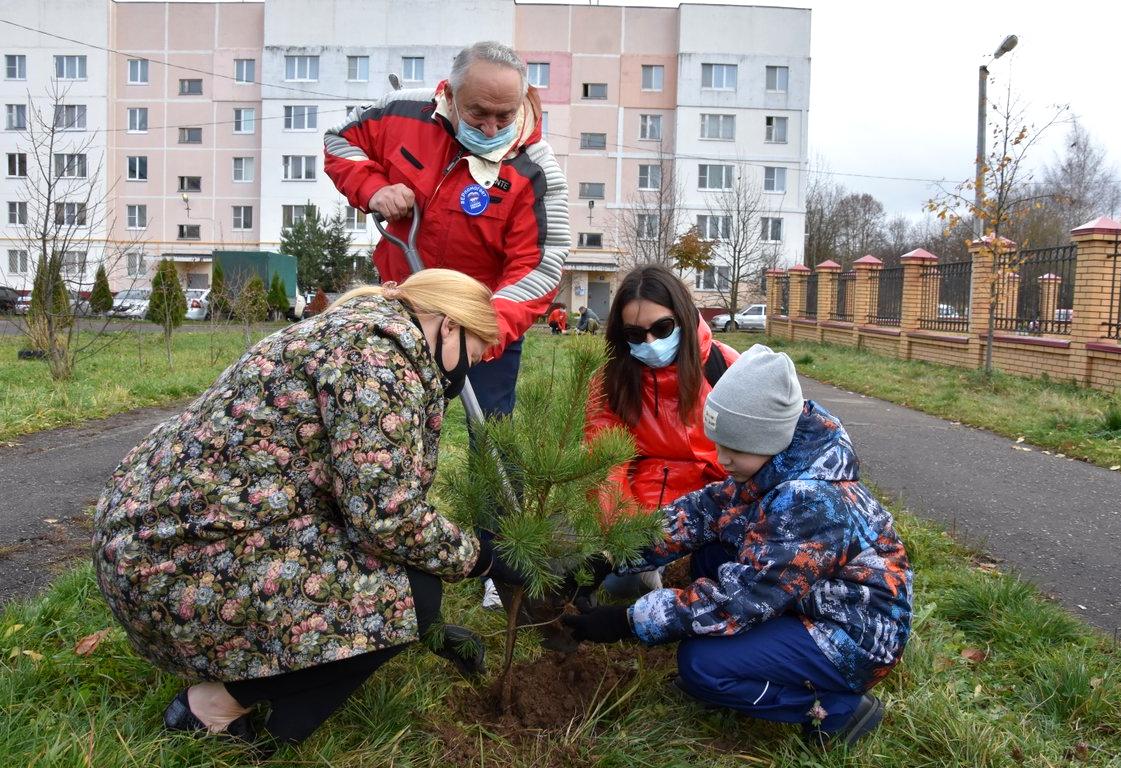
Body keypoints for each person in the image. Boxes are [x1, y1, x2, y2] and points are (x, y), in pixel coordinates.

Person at [92, 270, 526, 749]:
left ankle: (279, 719)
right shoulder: (376, 359)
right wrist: (480, 558)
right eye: (477, 353)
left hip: (162, 537)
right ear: (448, 326)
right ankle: (211, 708)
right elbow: (385, 515)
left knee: (404, 589)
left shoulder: (364, 331)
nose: (473, 368)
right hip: (169, 564)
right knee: (409, 597)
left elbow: (366, 492)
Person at [564, 346, 913, 746]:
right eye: (718, 443)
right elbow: (700, 513)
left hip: (854, 637)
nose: (721, 459)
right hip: (815, 600)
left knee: (700, 665)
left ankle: (836, 712)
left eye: (734, 448)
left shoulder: (809, 503)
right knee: (711, 553)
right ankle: (755, 664)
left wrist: (629, 621)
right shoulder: (777, 463)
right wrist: (613, 556)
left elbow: (738, 601)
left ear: (770, 437)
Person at [324, 40, 569, 421]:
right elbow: (339, 140)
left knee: (491, 427)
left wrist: (483, 329)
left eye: (504, 117)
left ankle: (491, 482)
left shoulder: (536, 172)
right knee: (386, 416)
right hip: (402, 307)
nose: (491, 130)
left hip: (484, 319)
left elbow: (540, 265)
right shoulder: (401, 113)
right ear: (451, 96)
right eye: (479, 114)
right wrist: (374, 189)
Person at [583, 265, 739, 596]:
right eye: (635, 335)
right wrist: (633, 535)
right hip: (643, 506)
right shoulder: (611, 382)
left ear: (683, 317)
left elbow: (761, 459)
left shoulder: (726, 367)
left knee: (717, 573)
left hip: (716, 506)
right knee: (620, 584)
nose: (650, 342)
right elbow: (605, 465)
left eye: (662, 328)